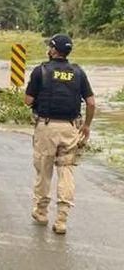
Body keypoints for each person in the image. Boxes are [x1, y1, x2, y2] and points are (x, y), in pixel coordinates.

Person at [24, 34, 95, 234]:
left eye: (50, 46)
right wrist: (87, 126)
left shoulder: (41, 71)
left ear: (53, 50)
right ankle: (62, 218)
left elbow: (28, 101)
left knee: (44, 171)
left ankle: (41, 211)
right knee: (66, 171)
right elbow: (90, 103)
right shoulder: (78, 73)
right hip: (71, 128)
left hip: (46, 127)